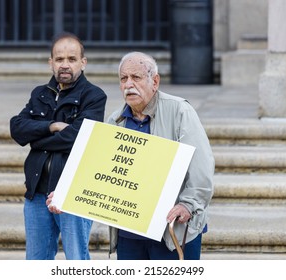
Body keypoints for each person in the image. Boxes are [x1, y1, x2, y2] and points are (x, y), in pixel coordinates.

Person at [47, 51, 214, 260]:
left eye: (136, 77)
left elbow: (201, 166)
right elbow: (102, 172)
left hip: (171, 229)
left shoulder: (180, 111)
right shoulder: (115, 120)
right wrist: (67, 196)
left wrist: (189, 204)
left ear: (155, 81)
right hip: (130, 231)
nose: (128, 84)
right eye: (123, 78)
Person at [9, 32, 107, 260]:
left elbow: (79, 137)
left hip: (73, 192)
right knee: (36, 261)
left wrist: (37, 134)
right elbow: (17, 128)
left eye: (72, 59)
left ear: (83, 63)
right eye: (59, 59)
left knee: (76, 261)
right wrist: (53, 126)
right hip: (37, 193)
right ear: (50, 62)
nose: (65, 64)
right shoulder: (39, 94)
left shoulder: (93, 96)